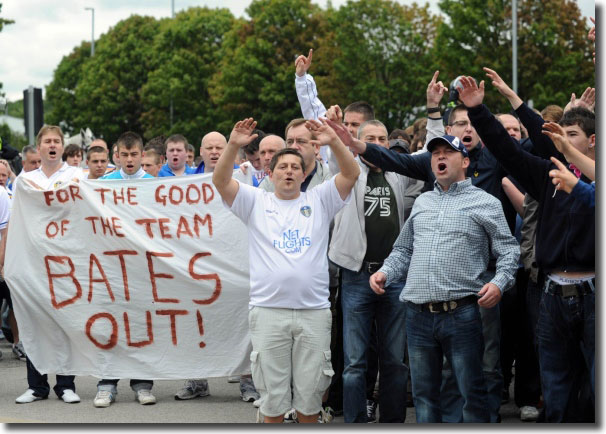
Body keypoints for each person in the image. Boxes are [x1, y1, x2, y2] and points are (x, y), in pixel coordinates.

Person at [458, 74, 595, 422]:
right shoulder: (545, 173)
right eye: (558, 134)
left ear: (593, 141)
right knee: (556, 388)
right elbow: (505, 149)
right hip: (552, 294)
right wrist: (478, 110)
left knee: (595, 389)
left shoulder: (596, 179)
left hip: (595, 297)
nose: (561, 139)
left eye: (571, 134)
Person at [213, 117, 359, 423]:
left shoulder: (320, 199)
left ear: (305, 173)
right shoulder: (255, 201)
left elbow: (351, 173)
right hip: (268, 312)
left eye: (295, 167)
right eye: (282, 167)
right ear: (270, 173)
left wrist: (333, 139)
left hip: (313, 313)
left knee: (309, 403)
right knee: (273, 404)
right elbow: (221, 181)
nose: (289, 171)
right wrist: (233, 145)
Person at [369, 134, 519, 423]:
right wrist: (385, 271)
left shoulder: (486, 202)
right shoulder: (423, 201)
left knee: (470, 394)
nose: (440, 157)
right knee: (424, 397)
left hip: (461, 313)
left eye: (447, 152)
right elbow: (403, 249)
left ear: (464, 161)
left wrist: (499, 283)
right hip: (417, 314)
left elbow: (509, 251)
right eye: (435, 152)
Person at [325, 118, 411, 423]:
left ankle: (392, 422)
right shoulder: (346, 173)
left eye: (383, 138)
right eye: (370, 138)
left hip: (394, 277)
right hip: (357, 275)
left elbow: (430, 155)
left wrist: (433, 112)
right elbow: (331, 147)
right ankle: (355, 422)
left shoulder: (399, 174)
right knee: (353, 363)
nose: (377, 143)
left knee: (394, 361)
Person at [10, 125, 84, 404]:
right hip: (34, 262)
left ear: (62, 147)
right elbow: (17, 221)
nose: (52, 145)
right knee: (34, 324)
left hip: (67, 262)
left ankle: (66, 385)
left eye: (56, 141)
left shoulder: (77, 176)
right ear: (38, 147)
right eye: (47, 141)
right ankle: (36, 385)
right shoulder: (25, 181)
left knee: (65, 323)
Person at [259, 119, 331, 192]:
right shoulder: (270, 182)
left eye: (301, 141)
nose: (294, 147)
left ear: (316, 147)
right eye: (290, 142)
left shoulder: (329, 180)